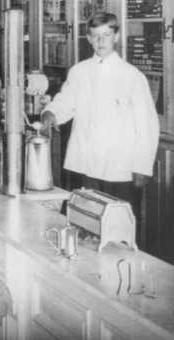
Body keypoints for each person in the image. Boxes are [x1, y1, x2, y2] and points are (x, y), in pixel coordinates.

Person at [41, 12, 159, 222]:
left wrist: (142, 167)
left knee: (118, 225)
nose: (101, 41)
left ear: (116, 36)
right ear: (88, 38)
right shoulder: (79, 71)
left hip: (120, 167)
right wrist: (51, 112)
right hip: (86, 163)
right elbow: (66, 101)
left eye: (106, 35)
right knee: (83, 220)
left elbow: (147, 126)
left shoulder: (132, 76)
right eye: (95, 36)